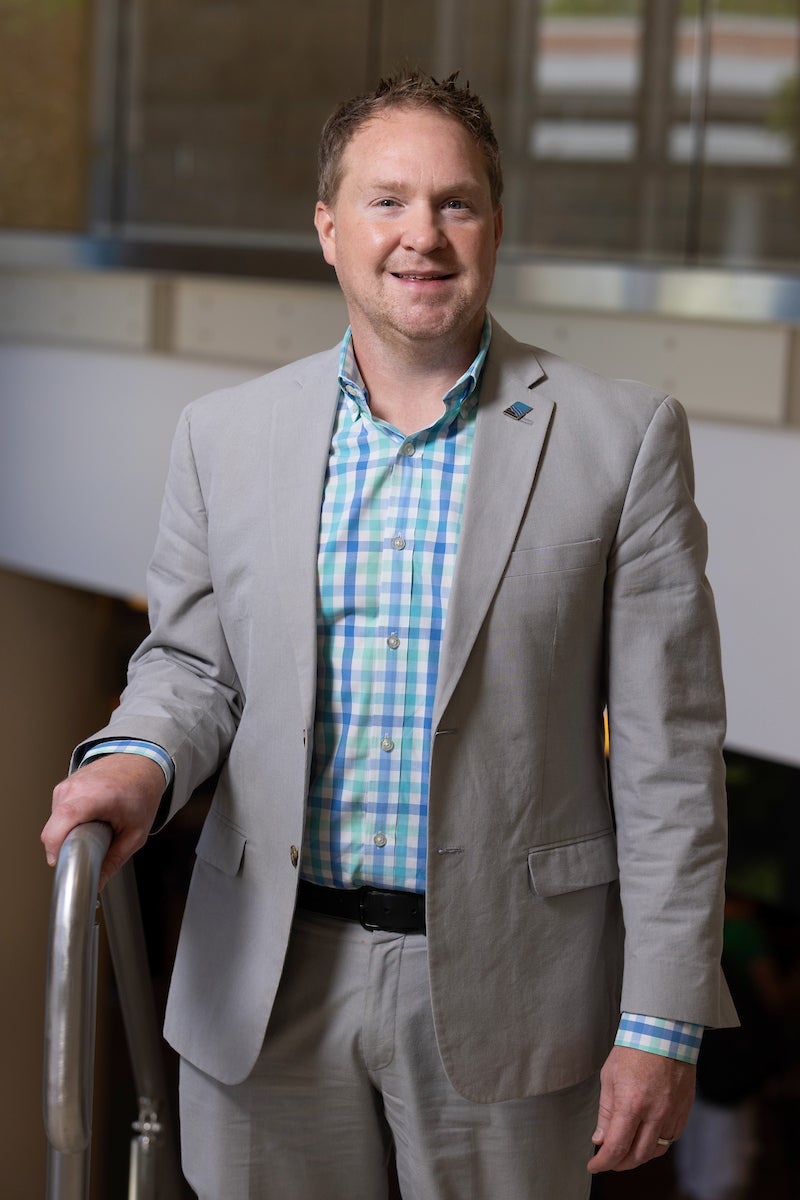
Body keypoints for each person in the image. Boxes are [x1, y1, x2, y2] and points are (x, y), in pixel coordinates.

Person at [42, 71, 736, 1199]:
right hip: (263, 979)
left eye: (455, 203)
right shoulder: (224, 435)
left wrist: (659, 1018)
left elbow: (668, 754)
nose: (422, 235)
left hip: (513, 985)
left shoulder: (621, 440)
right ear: (328, 229)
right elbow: (190, 665)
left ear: (494, 226)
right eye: (387, 202)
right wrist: (137, 762)